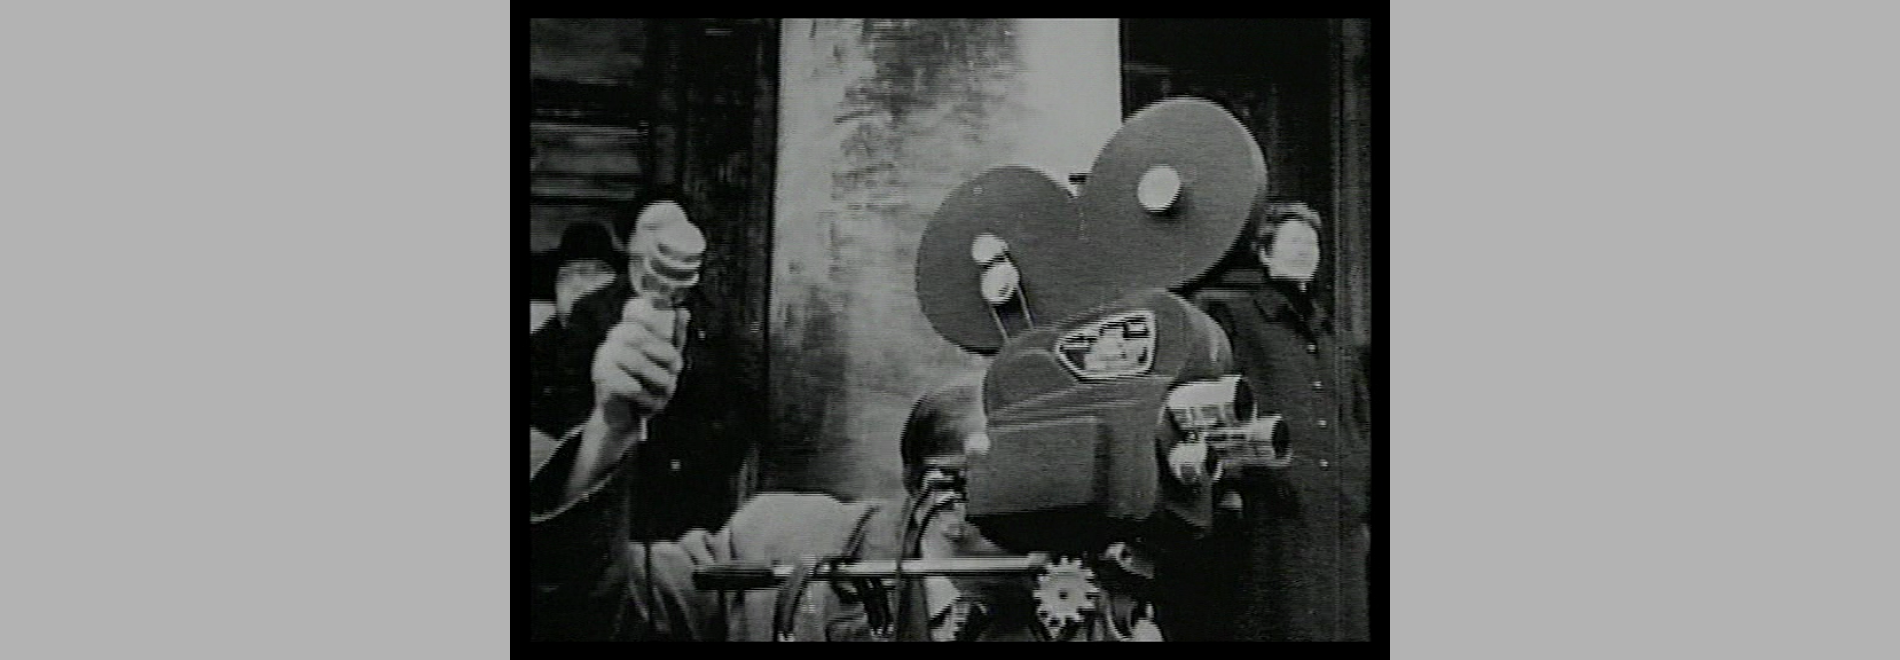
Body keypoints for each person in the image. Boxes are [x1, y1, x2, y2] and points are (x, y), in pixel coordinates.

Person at [530, 322, 1054, 642]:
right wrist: (609, 435)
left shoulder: (1102, 587)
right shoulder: (784, 542)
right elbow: (594, 614)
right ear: (940, 495)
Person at [1186, 201, 1372, 642]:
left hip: (1339, 514)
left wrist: (1359, 488)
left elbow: (1359, 421)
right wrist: (1244, 481)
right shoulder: (1236, 321)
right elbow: (1211, 408)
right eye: (1292, 241)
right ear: (1265, 254)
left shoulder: (1335, 336)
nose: (1305, 250)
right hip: (1272, 513)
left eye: (1312, 243)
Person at [529, 221, 633, 441]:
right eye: (566, 276)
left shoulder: (637, 346)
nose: (578, 286)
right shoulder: (536, 351)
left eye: (591, 273)